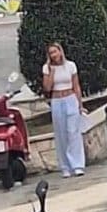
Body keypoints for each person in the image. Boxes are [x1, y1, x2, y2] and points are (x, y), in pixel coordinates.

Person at [42, 42, 86, 179]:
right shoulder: (47, 68)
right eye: (51, 53)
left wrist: (80, 104)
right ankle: (65, 167)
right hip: (57, 100)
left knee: (73, 132)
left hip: (70, 98)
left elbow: (76, 85)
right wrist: (51, 73)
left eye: (55, 51)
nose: (54, 55)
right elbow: (47, 88)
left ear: (60, 51)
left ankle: (77, 165)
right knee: (61, 134)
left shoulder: (70, 66)